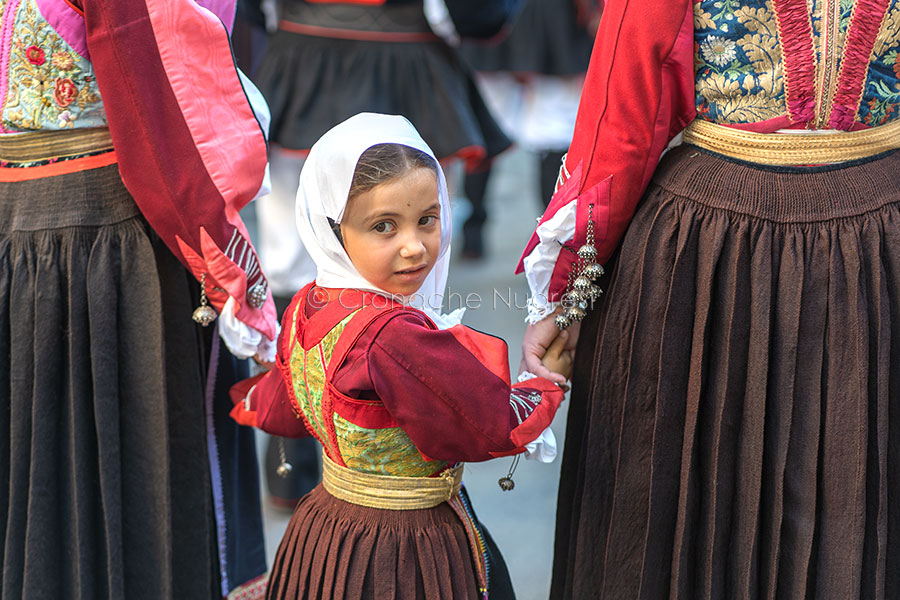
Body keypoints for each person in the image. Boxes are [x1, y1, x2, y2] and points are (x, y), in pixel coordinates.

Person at [518, 0, 900, 597]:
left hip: (714, 247)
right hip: (873, 243)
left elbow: (623, 121)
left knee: (689, 508)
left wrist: (565, 296)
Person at [0, 1, 279, 599]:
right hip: (109, 246)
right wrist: (240, 281)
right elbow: (164, 112)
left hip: (29, 238)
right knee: (135, 476)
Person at [230, 113, 569, 599]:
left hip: (327, 530)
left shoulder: (308, 302)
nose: (415, 247)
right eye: (383, 226)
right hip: (407, 549)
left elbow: (286, 404)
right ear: (333, 230)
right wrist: (546, 384)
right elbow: (489, 423)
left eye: (427, 219)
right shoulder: (393, 336)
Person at [457, 0, 599, 259]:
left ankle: (547, 243)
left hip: (514, 18)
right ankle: (550, 247)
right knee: (538, 128)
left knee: (542, 130)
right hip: (527, 19)